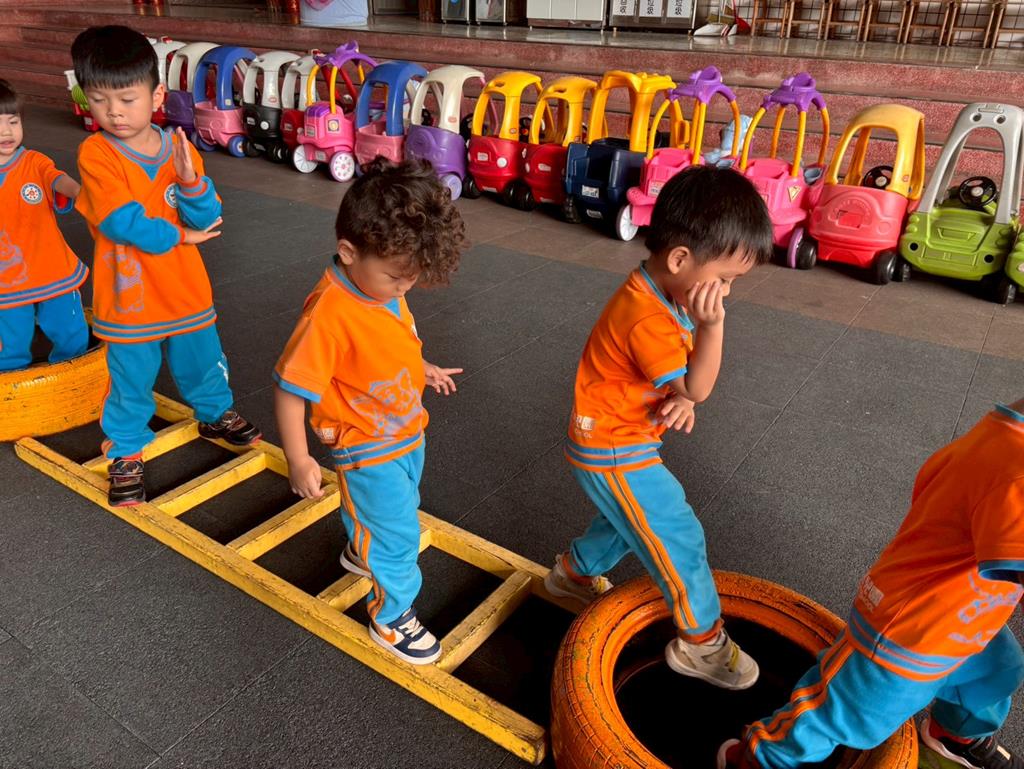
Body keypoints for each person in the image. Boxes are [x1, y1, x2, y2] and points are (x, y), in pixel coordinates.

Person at [544, 165, 774, 690]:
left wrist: (680, 393)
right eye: (725, 280)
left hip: (616, 435)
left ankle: (570, 577)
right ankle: (700, 641)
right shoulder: (646, 315)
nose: (726, 293)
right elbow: (700, 384)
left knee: (626, 522)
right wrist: (710, 336)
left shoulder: (662, 291)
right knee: (676, 531)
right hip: (612, 443)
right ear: (679, 259)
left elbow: (683, 378)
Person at [718, 399, 1024, 769]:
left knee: (999, 668)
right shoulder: (1015, 472)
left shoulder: (1007, 432)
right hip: (910, 632)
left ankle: (952, 736)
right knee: (844, 714)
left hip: (969, 614)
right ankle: (756, 759)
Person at [273, 158, 465, 665]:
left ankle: (362, 549)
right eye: (397, 277)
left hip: (404, 428)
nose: (405, 287)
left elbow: (392, 339)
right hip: (364, 443)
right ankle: (391, 617)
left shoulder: (382, 286)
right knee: (399, 534)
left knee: (396, 508)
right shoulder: (329, 315)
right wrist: (298, 458)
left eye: (413, 277)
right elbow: (291, 390)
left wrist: (421, 366)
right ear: (348, 252)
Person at [71, 25, 260, 507]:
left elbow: (206, 215)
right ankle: (126, 450)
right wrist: (181, 236)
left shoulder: (179, 147)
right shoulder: (96, 153)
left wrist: (192, 182)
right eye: (99, 100)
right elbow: (120, 221)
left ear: (156, 96)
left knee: (203, 360)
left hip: (186, 291)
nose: (114, 112)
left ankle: (214, 413)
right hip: (129, 299)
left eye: (127, 99)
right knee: (131, 379)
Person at [0, 79, 88, 372]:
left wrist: (80, 192)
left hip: (52, 268)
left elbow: (57, 179)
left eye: (13, 121)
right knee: (9, 345)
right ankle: (13, 391)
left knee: (70, 331)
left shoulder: (34, 162)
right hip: (6, 279)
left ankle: (73, 378)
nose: (6, 132)